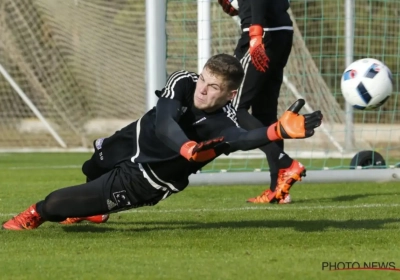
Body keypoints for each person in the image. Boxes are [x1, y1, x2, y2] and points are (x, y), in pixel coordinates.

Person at [2, 54, 322, 231]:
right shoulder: (183, 81)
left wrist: (276, 132)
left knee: (56, 205)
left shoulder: (226, 121)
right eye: (203, 80)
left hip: (147, 176)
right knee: (92, 164)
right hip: (134, 137)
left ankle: (37, 213)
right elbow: (166, 122)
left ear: (230, 94)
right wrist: (185, 147)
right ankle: (94, 209)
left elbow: (241, 139)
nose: (203, 90)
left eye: (213, 87)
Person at [218, 0, 301, 204]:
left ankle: (285, 163)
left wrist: (255, 33)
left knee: (234, 107)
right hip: (281, 32)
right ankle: (279, 190)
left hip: (262, 33)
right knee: (265, 113)